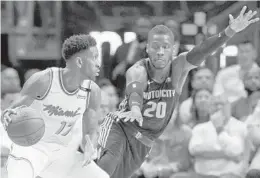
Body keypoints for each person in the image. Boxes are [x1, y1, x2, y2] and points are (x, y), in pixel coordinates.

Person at [95, 6, 259, 178]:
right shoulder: (138, 70)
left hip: (144, 141)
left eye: (165, 47)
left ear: (173, 49)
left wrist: (229, 31)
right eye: (155, 47)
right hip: (121, 128)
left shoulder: (179, 66)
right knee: (105, 169)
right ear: (148, 48)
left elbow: (202, 50)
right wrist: (135, 109)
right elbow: (135, 90)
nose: (160, 52)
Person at [1, 34, 103, 178]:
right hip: (32, 149)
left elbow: (91, 130)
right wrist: (7, 117)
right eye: (94, 57)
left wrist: (89, 146)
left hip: (62, 153)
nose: (98, 63)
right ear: (79, 62)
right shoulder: (44, 80)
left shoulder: (92, 91)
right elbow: (10, 111)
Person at [189, 96, 249, 178]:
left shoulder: (241, 127)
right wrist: (226, 154)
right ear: (209, 108)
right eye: (215, 104)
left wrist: (219, 130)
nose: (219, 107)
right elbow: (194, 150)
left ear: (229, 107)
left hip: (231, 175)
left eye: (222, 104)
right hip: (203, 175)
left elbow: (236, 151)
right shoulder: (199, 128)